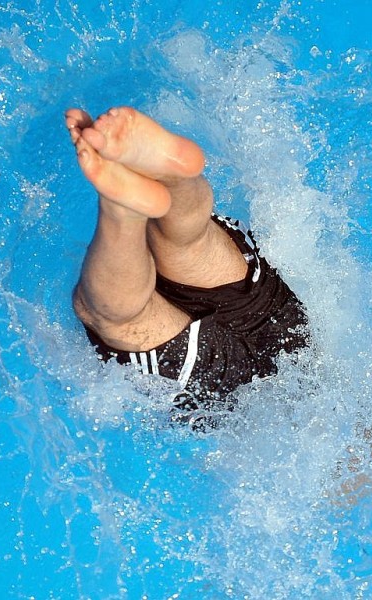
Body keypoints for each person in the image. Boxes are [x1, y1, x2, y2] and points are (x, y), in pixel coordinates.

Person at [65, 106, 309, 427]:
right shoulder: (302, 464)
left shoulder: (360, 389)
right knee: (122, 320)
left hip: (294, 340)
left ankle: (172, 176)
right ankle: (123, 208)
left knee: (192, 244)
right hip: (232, 404)